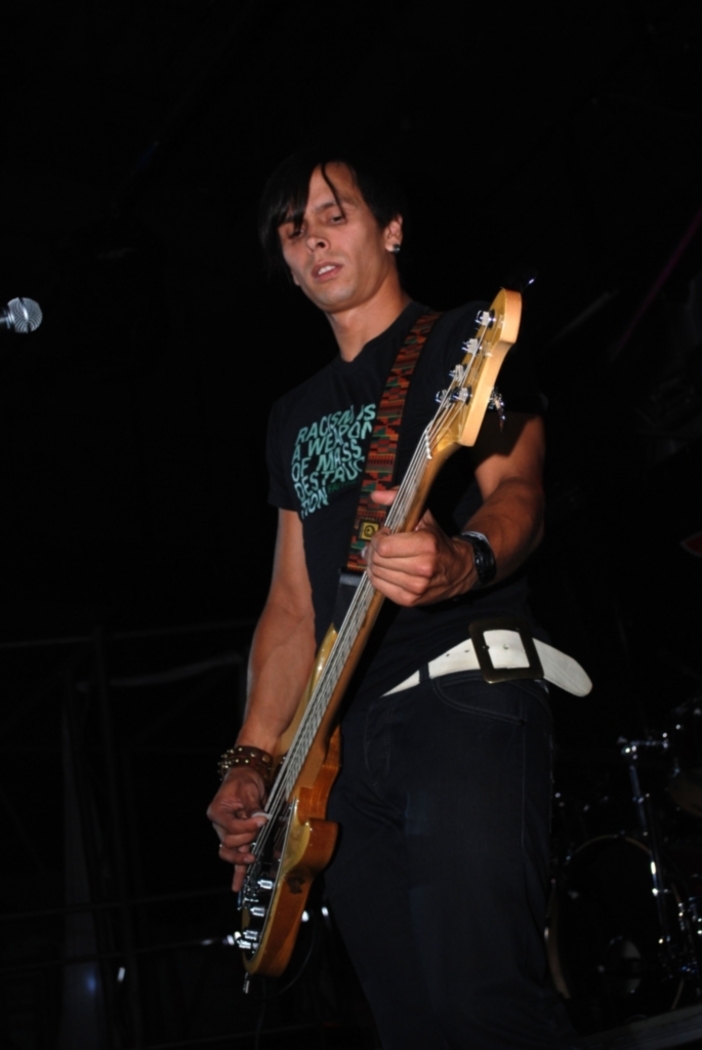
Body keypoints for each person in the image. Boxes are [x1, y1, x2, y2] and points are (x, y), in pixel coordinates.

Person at [207, 149, 582, 1049]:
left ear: (393, 229)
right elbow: (292, 605)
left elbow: (519, 492)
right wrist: (251, 759)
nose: (311, 239)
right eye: (292, 229)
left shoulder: (461, 342)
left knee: (482, 1005)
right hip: (336, 755)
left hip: (457, 693)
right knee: (412, 1026)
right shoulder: (292, 416)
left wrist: (464, 558)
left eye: (333, 215)